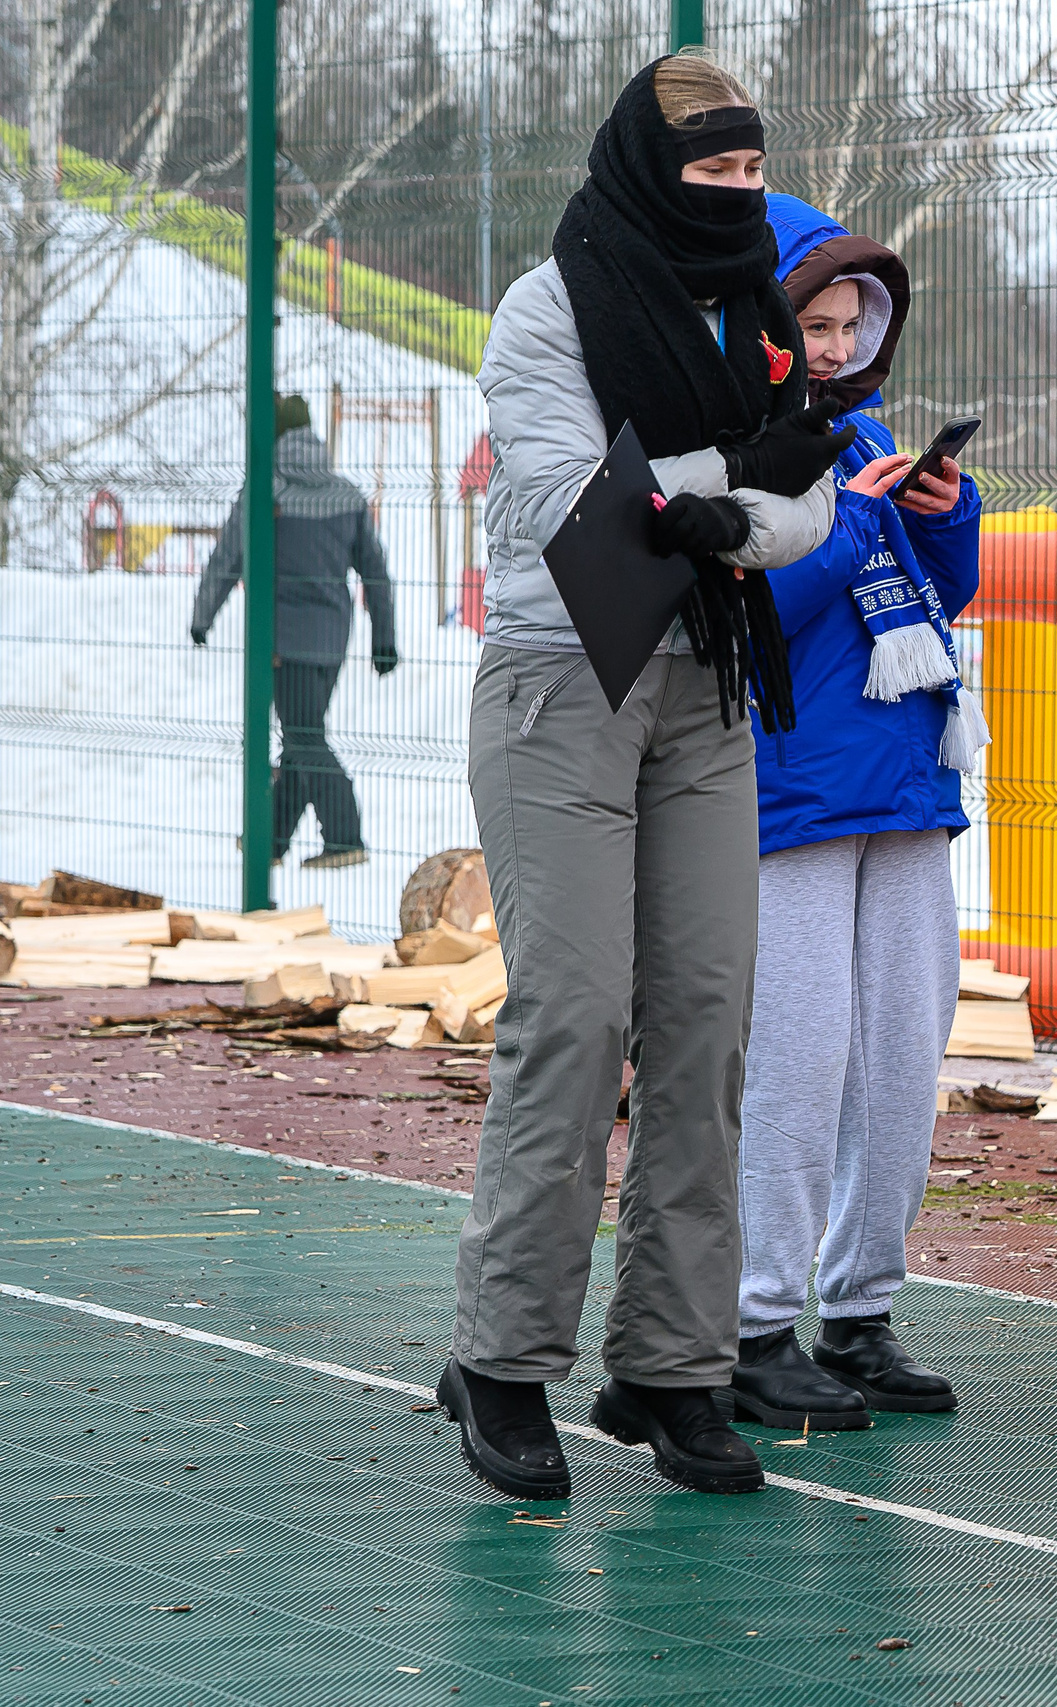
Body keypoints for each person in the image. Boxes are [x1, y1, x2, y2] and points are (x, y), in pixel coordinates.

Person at [439, 51, 854, 1503]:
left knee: (705, 1015)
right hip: (566, 676)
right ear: (644, 164)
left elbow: (802, 521)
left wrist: (716, 498)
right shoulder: (551, 303)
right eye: (711, 171)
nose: (736, 195)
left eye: (752, 169)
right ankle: (500, 1358)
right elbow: (574, 503)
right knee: (575, 1009)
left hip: (707, 681)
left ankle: (672, 1364)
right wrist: (742, 473)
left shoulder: (756, 311)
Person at [724, 194, 983, 1432]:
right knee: (797, 1059)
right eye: (808, 320)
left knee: (897, 1062)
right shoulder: (726, 440)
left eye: (847, 323)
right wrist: (846, 521)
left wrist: (941, 515)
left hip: (907, 784)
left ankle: (860, 1311)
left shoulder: (863, 428)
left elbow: (938, 601)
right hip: (794, 795)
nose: (831, 345)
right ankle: (754, 1322)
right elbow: (739, 620)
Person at [190, 394, 395, 870]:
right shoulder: (345, 494)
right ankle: (271, 840)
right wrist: (384, 638)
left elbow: (227, 559)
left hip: (280, 640)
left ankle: (345, 836)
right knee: (303, 733)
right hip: (331, 641)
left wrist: (203, 617)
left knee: (303, 737)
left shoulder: (265, 490)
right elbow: (376, 574)